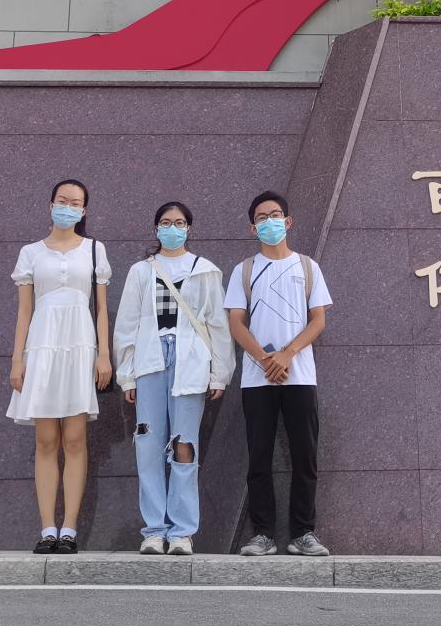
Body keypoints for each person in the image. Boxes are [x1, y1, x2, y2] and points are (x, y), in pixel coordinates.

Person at [113, 201, 233, 556]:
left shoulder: (204, 270)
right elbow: (127, 324)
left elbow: (217, 324)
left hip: (190, 363)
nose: (172, 228)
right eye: (166, 222)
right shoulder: (141, 271)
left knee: (184, 446)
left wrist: (220, 373)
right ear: (156, 228)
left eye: (179, 223)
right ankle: (154, 530)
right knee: (148, 445)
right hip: (150, 362)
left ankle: (182, 532)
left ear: (188, 228)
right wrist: (127, 375)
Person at [6, 177, 112, 554]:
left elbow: (101, 309)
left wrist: (103, 354)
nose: (68, 207)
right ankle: (47, 527)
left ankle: (69, 528)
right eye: (62, 200)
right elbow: (24, 312)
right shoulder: (31, 253)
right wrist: (17, 359)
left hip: (80, 345)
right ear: (50, 204)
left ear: (84, 210)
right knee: (46, 440)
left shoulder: (94, 250)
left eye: (75, 203)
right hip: (42, 346)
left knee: (75, 439)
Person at [224, 190, 332, 557]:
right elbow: (236, 323)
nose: (269, 222)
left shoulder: (307, 267)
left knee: (305, 456)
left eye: (275, 215)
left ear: (288, 221)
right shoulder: (244, 270)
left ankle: (303, 533)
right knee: (259, 458)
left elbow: (318, 320)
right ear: (252, 228)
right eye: (261, 217)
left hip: (300, 375)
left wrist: (287, 354)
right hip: (258, 379)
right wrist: (266, 359)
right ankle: (263, 535)